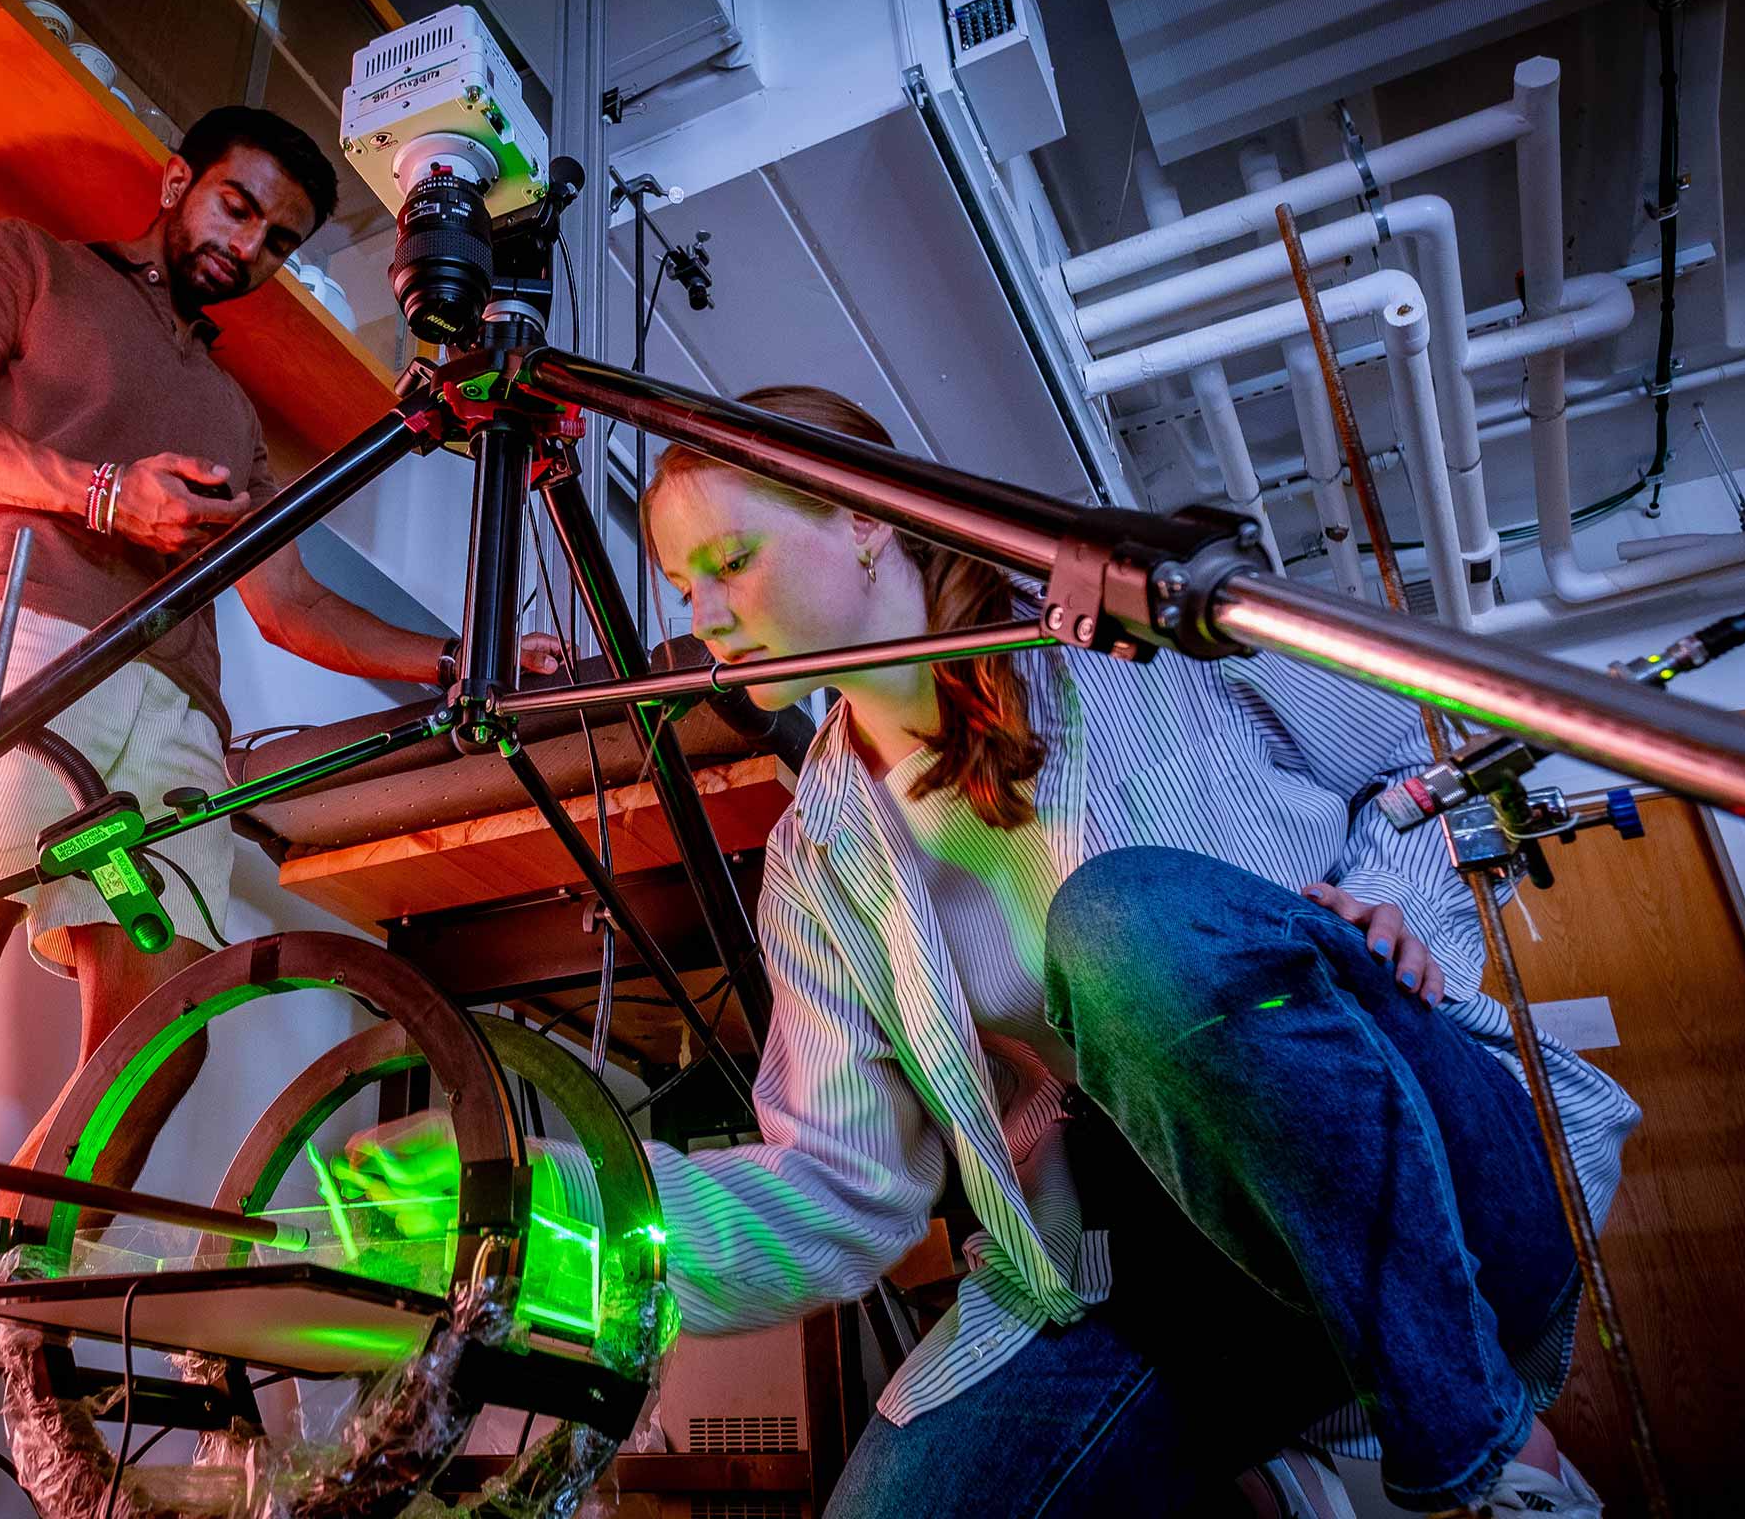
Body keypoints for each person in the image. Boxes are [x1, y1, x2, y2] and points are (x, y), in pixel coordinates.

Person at [343, 386, 1641, 1517]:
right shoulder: (818, 862)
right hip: (1173, 1270)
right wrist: (533, 1214)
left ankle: (1494, 1457)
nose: (706, 616)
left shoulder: (1133, 638)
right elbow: (831, 1192)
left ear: (866, 519)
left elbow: (1446, 756)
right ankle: (1339, 1429)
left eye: (731, 560)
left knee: (1124, 924)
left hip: (1442, 1188)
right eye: (685, 588)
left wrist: (1394, 892)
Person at [0, 106, 557, 1518]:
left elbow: (292, 602)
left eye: (274, 236)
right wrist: (92, 489)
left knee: (156, 1050)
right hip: (8, 644)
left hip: (171, 718)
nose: (244, 244)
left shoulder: (233, 417)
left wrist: (464, 663)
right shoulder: (27, 265)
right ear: (178, 183)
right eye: (236, 207)